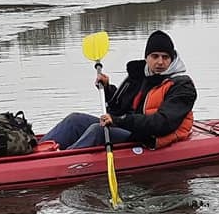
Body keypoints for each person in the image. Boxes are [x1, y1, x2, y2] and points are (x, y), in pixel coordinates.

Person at [42, 30, 197, 150]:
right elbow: (119, 106)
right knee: (74, 120)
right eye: (155, 56)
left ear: (172, 59)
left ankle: (58, 163)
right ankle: (36, 150)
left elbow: (161, 124)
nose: (160, 62)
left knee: (98, 130)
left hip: (147, 136)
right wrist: (107, 89)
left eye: (165, 57)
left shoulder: (182, 86)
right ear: (147, 58)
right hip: (128, 127)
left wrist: (119, 121)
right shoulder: (139, 75)